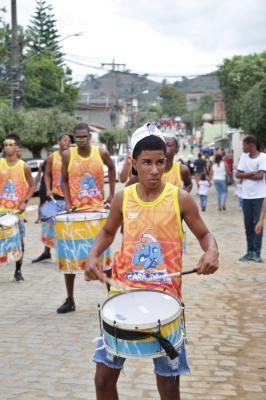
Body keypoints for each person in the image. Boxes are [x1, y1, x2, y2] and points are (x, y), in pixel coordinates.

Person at [85, 123, 219, 400]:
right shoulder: (124, 198)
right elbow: (108, 233)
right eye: (147, 162)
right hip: (123, 293)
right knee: (103, 379)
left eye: (161, 162)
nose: (155, 169)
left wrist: (211, 252)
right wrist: (92, 255)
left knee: (168, 385)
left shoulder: (179, 199)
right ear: (134, 164)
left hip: (165, 299)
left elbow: (205, 235)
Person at [57, 122, 116, 314]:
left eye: (84, 136)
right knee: (70, 257)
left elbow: (112, 168)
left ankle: (111, 297)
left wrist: (112, 195)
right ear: (75, 138)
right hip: (76, 212)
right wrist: (67, 201)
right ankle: (70, 299)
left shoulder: (101, 153)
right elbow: (64, 180)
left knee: (104, 259)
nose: (81, 140)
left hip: (97, 211)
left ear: (90, 136)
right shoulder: (67, 155)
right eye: (78, 137)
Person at [32, 133, 73, 263]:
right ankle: (47, 252)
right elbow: (47, 174)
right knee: (49, 224)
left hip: (70, 196)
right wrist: (48, 189)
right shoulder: (52, 157)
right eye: (65, 140)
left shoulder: (74, 156)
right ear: (59, 142)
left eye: (69, 141)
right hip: (55, 196)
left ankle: (68, 252)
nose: (67, 143)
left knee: (68, 225)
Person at [0, 133, 35, 281]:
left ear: (17, 148)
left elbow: (33, 185)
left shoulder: (24, 166)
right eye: (5, 145)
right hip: (1, 209)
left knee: (18, 242)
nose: (8, 148)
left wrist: (25, 202)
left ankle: (18, 271)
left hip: (16, 212)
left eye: (11, 145)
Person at [124, 132, 193, 193]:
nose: (164, 148)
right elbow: (127, 189)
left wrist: (181, 195)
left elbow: (188, 184)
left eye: (168, 145)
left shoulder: (182, 170)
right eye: (162, 145)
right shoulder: (146, 171)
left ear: (177, 148)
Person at [236, 135, 266, 263]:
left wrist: (245, 175)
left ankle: (256, 253)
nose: (243, 147)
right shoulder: (243, 157)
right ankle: (249, 251)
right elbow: (237, 174)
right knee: (248, 225)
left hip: (259, 196)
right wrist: (251, 173)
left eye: (244, 145)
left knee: (257, 224)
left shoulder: (263, 157)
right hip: (245, 196)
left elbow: (260, 176)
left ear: (251, 145)